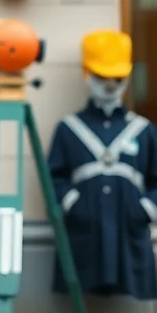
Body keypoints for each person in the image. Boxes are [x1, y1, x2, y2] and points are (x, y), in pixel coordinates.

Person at [48, 29, 157, 302]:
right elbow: (53, 176)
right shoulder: (68, 129)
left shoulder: (144, 130)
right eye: (102, 76)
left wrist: (146, 208)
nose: (110, 85)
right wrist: (73, 203)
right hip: (86, 232)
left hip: (128, 230)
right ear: (87, 73)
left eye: (117, 78)